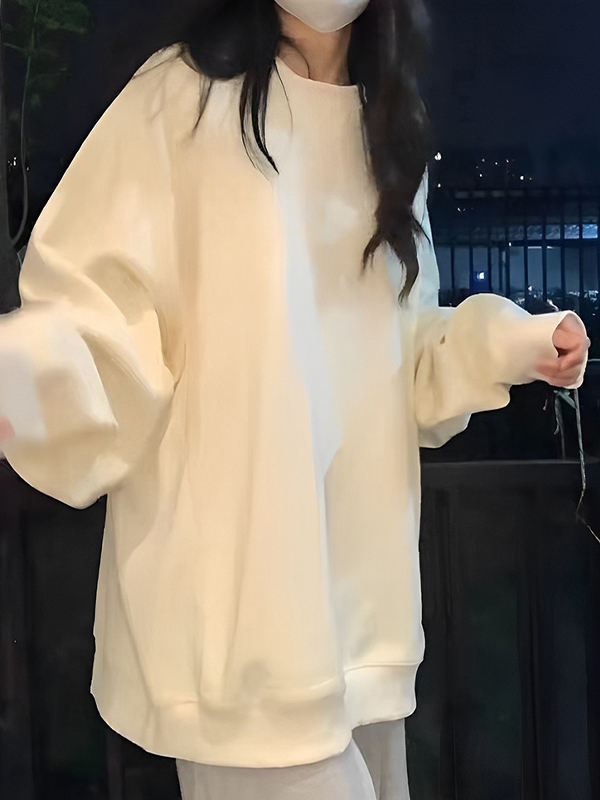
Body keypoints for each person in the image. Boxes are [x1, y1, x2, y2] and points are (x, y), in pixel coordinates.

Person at [0, 1, 589, 798]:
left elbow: (405, 362)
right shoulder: (181, 96)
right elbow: (99, 322)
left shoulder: (388, 124)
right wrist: (24, 372)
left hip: (360, 620)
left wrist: (510, 343)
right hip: (238, 628)